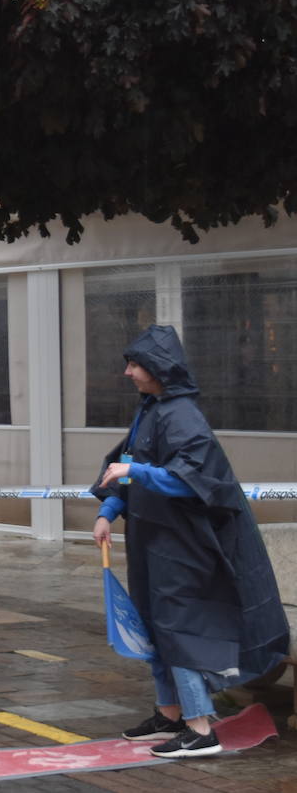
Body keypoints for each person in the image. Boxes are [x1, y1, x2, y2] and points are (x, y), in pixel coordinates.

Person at [92, 324, 289, 759]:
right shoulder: (151, 408)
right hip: (151, 539)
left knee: (178, 628)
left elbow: (195, 479)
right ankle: (170, 715)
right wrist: (108, 511)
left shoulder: (181, 415)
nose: (127, 372)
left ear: (157, 368)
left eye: (134, 364)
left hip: (182, 547)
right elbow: (126, 462)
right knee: (153, 626)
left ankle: (200, 729)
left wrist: (135, 474)